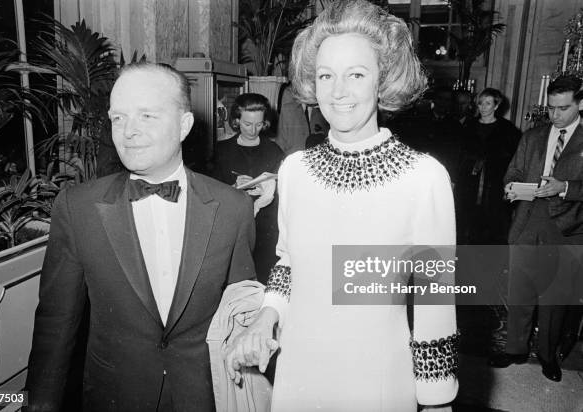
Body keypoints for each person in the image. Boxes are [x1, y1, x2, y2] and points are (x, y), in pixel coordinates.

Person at [225, 1, 459, 410]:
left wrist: (437, 397)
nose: (339, 91)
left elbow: (434, 295)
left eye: (356, 74)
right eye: (326, 75)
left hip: (377, 375)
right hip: (300, 369)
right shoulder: (295, 170)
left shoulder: (423, 177)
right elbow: (288, 263)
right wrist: (268, 315)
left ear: (382, 81)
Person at [24, 62, 256, 411]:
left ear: (184, 125)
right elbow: (56, 323)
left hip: (202, 396)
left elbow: (242, 314)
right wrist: (37, 405)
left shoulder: (233, 208)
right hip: (112, 396)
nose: (128, 131)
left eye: (147, 116)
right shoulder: (79, 207)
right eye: (118, 118)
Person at [489, 75, 583, 382]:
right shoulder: (532, 136)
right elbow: (512, 171)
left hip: (568, 226)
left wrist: (565, 186)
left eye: (563, 108)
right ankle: (515, 349)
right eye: (551, 107)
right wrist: (510, 188)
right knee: (520, 291)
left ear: (580, 104)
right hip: (528, 219)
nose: (555, 115)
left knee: (554, 297)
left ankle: (547, 356)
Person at [212, 93, 285, 284]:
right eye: (247, 124)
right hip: (233, 228)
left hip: (265, 230)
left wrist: (270, 189)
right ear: (236, 121)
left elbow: (285, 195)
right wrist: (233, 187)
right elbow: (209, 194)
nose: (253, 130)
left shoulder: (274, 151)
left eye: (259, 125)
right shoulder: (222, 151)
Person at [457, 88, 521, 244]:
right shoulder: (468, 126)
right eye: (480, 103)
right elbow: (458, 154)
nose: (483, 107)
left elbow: (515, 159)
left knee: (493, 226)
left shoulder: (508, 129)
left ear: (496, 106)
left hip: (495, 184)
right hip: (469, 183)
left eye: (487, 103)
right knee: (467, 223)